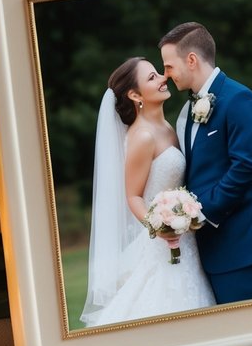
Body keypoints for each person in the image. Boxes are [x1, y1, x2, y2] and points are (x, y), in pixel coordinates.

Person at [80, 56, 215, 327]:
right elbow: (133, 196)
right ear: (134, 94)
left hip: (188, 238)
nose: (163, 78)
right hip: (164, 239)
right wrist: (159, 226)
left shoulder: (169, 127)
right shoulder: (142, 136)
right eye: (152, 77)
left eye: (158, 73)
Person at [159, 22, 252, 304]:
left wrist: (199, 213)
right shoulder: (187, 110)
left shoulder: (239, 99)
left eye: (169, 66)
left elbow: (245, 168)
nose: (166, 75)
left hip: (240, 249)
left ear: (191, 60)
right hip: (206, 251)